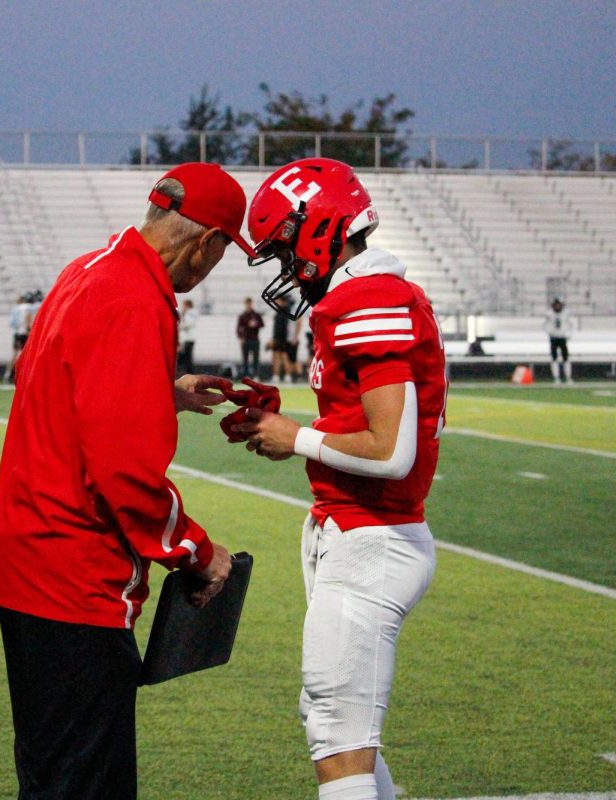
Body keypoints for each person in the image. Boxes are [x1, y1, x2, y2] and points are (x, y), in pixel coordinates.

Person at [0, 162, 255, 800]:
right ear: (205, 243)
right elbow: (124, 473)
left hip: (22, 558)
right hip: (71, 576)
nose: (207, 272)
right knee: (84, 785)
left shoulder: (88, 268)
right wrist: (199, 551)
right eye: (217, 255)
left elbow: (47, 377)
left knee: (49, 773)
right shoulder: (136, 297)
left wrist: (157, 392)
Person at [232, 158, 447, 800]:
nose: (282, 267)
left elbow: (390, 450)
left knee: (338, 736)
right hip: (357, 529)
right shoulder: (362, 293)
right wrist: (289, 426)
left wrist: (294, 437)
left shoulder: (368, 296)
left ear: (316, 227)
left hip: (374, 535)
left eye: (282, 248)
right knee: (334, 723)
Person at [544, 297, 574, 384]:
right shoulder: (549, 314)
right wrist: (548, 333)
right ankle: (556, 378)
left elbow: (572, 324)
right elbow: (545, 325)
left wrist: (569, 334)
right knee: (554, 359)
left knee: (566, 358)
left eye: (559, 305)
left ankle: (568, 377)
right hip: (553, 337)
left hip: (562, 337)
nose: (557, 306)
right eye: (556, 305)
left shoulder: (566, 313)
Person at [4, 293, 32, 383]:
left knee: (14, 354)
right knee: (27, 355)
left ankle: (8, 374)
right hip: (24, 333)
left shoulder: (15, 309)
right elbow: (28, 319)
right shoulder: (27, 307)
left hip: (17, 333)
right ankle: (25, 374)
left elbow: (12, 323)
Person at [236, 296, 264, 377]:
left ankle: (256, 375)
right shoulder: (242, 316)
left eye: (250, 303)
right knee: (245, 359)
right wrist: (241, 338)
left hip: (255, 339)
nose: (249, 305)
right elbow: (238, 329)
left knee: (256, 359)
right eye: (247, 303)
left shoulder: (256, 315)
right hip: (246, 340)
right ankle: (246, 375)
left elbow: (262, 324)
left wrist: (256, 324)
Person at [177, 298, 198, 375]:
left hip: (189, 338)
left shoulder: (191, 313)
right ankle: (187, 373)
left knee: (187, 357)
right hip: (186, 339)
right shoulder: (187, 313)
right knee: (185, 357)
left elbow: (188, 323)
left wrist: (179, 325)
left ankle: (191, 374)